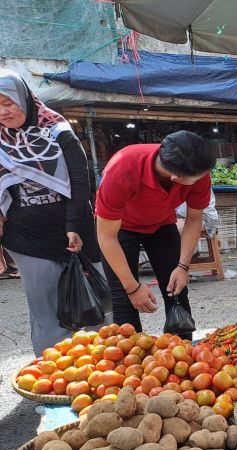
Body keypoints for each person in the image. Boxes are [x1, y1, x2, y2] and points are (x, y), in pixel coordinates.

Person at [0, 69, 104, 355]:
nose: (3, 112)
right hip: (27, 237)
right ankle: (53, 376)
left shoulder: (57, 130)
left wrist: (73, 225)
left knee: (96, 299)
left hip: (76, 230)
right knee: (45, 309)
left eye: (8, 103)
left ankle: (104, 367)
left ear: (23, 97)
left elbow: (80, 179)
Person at [95, 131, 215, 338]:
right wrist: (133, 288)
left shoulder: (197, 172)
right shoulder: (123, 168)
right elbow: (106, 236)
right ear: (176, 178)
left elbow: (194, 219)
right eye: (199, 178)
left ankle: (182, 355)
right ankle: (129, 361)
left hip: (161, 224)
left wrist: (183, 266)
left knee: (177, 290)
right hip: (120, 227)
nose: (204, 179)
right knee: (124, 297)